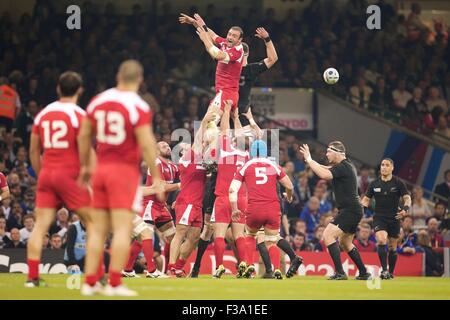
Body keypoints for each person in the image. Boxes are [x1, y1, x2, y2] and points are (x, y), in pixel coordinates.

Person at [78, 60, 164, 296]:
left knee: (98, 230)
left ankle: (90, 282)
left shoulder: (99, 101)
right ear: (140, 80)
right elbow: (147, 144)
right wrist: (156, 177)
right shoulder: (139, 106)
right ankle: (114, 283)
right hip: (124, 173)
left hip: (100, 172)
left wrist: (86, 165)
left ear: (118, 76)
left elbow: (84, 135)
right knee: (124, 229)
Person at [25, 71, 92, 288]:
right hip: (70, 175)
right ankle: (96, 276)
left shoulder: (44, 114)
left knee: (40, 226)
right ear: (80, 90)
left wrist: (42, 173)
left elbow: (34, 151)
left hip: (47, 174)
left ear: (58, 89)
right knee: (94, 222)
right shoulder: (79, 115)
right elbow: (85, 150)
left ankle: (32, 278)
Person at [299, 141, 371, 280]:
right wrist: (311, 161)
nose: (326, 154)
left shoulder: (344, 167)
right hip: (353, 209)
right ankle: (363, 272)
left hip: (350, 210)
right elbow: (326, 168)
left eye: (328, 151)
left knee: (328, 236)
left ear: (337, 152)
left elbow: (324, 175)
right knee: (345, 243)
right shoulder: (345, 166)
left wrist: (309, 159)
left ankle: (340, 272)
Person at [229, 140, 296, 279]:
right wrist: (289, 197)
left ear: (252, 152)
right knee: (271, 241)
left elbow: (232, 189)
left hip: (254, 208)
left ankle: (249, 265)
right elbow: (289, 185)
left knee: (250, 236)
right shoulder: (273, 165)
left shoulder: (245, 166)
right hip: (272, 208)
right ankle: (277, 269)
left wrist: (235, 208)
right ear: (266, 152)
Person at [167, 111, 216, 277]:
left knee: (194, 238)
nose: (189, 145)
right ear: (181, 152)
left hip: (197, 204)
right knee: (180, 234)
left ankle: (180, 266)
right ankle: (171, 267)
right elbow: (199, 140)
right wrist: (205, 120)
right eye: (185, 146)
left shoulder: (200, 160)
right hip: (187, 202)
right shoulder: (187, 159)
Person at [123, 141, 179, 278]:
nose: (168, 147)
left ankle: (127, 269)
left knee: (173, 237)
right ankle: (152, 270)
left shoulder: (172, 166)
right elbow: (160, 187)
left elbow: (184, 179)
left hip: (161, 206)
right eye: (163, 146)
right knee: (145, 236)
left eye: (168, 145)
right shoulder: (156, 163)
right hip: (150, 204)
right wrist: (179, 185)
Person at [179, 13, 244, 124]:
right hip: (228, 93)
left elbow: (217, 55)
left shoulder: (237, 51)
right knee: (210, 125)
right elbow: (213, 35)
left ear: (239, 40)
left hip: (226, 93)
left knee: (208, 124)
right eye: (229, 34)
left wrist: (205, 39)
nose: (230, 37)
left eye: (234, 36)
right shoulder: (225, 43)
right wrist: (195, 23)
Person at [360, 158, 411, 279]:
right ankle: (384, 270)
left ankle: (391, 272)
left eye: (387, 165)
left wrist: (405, 209)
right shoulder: (374, 183)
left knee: (393, 248)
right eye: (382, 165)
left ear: (392, 168)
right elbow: (366, 200)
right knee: (382, 240)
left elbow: (407, 197)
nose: (384, 167)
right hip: (379, 218)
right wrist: (360, 210)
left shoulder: (398, 182)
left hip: (394, 218)